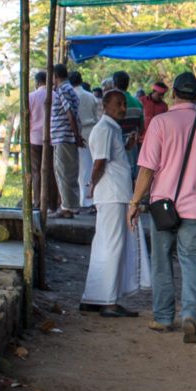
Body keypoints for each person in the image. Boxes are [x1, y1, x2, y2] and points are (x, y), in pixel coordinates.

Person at [128, 70, 196, 342]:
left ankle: (162, 317)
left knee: (162, 261)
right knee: (193, 261)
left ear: (173, 95)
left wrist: (135, 202)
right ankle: (192, 314)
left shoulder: (160, 123)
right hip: (195, 208)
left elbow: (147, 169)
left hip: (163, 208)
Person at [79, 89, 136, 317]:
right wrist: (92, 184)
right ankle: (109, 301)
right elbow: (100, 161)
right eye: (119, 104)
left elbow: (110, 157)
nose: (123, 109)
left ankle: (95, 297)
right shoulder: (104, 128)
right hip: (112, 193)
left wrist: (127, 145)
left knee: (105, 244)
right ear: (106, 105)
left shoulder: (111, 128)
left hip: (114, 192)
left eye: (124, 104)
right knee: (113, 245)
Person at [48, 63, 82, 220]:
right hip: (66, 136)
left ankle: (67, 207)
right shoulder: (69, 89)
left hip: (64, 136)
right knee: (68, 172)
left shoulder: (63, 90)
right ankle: (70, 205)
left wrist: (76, 135)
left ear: (55, 76)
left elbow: (70, 113)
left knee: (64, 173)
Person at [72, 71, 102, 208]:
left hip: (80, 132)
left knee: (83, 166)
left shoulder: (73, 95)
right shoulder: (91, 96)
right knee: (92, 163)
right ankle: (93, 195)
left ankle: (85, 199)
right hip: (93, 130)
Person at [25, 69, 52, 209]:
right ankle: (52, 202)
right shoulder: (54, 95)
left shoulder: (31, 96)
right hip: (52, 138)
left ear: (37, 82)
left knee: (36, 172)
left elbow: (27, 118)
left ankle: (38, 201)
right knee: (51, 171)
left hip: (34, 138)